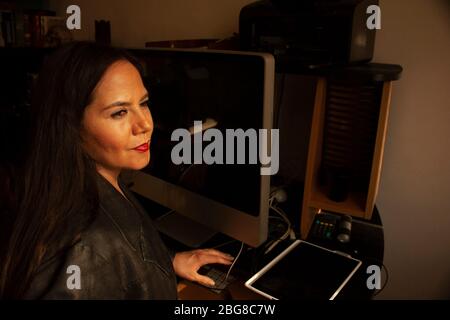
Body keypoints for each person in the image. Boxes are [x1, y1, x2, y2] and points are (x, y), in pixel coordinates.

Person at [0, 42, 233, 299]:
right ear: (70, 125)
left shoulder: (100, 177)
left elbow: (124, 255)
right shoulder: (81, 249)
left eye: (143, 103)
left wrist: (167, 262)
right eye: (119, 112)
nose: (145, 124)